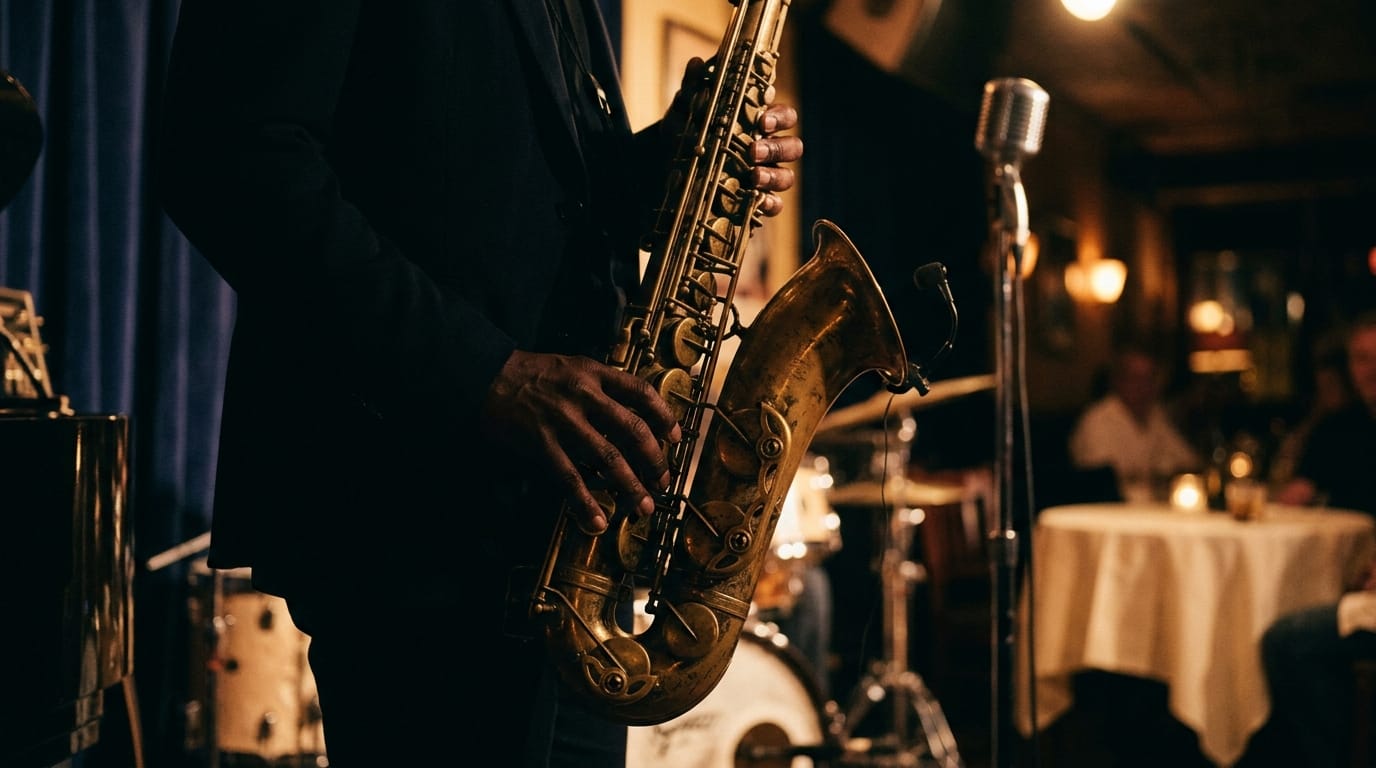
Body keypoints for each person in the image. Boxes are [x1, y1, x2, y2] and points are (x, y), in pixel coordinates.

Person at [155, 2, 804, 766]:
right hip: (410, 513)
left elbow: (525, 209)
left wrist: (676, 161)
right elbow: (226, 151)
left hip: (570, 530)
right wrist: (485, 374)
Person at [1262, 309, 1376, 768]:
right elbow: (1295, 493)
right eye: (1360, 359)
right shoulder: (1342, 426)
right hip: (1353, 577)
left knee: (1286, 640)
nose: (1368, 370)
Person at [1067, 344, 1202, 503]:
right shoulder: (1096, 420)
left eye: (1149, 379)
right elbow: (1101, 480)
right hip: (1110, 513)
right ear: (1118, 381)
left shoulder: (1156, 416)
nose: (1143, 387)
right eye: (1135, 378)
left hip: (1155, 507)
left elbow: (1189, 461)